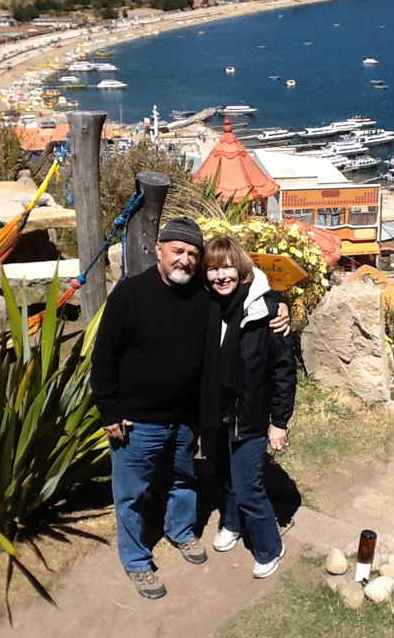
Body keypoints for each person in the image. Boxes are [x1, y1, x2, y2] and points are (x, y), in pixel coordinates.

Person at [90, 217, 289, 600]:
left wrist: (281, 304)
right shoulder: (129, 295)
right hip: (137, 423)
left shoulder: (202, 294)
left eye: (193, 254)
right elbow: (104, 359)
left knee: (184, 481)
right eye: (178, 251)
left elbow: (246, 285)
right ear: (159, 250)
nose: (185, 259)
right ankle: (137, 561)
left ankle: (180, 531)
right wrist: (110, 412)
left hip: (185, 419)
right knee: (130, 495)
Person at [201, 236, 296, 579]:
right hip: (216, 411)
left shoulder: (267, 310)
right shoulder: (206, 305)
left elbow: (284, 372)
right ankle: (232, 523)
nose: (220, 276)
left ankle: (270, 546)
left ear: (240, 269)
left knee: (247, 488)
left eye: (226, 267)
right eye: (212, 269)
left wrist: (279, 422)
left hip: (251, 416)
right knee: (224, 477)